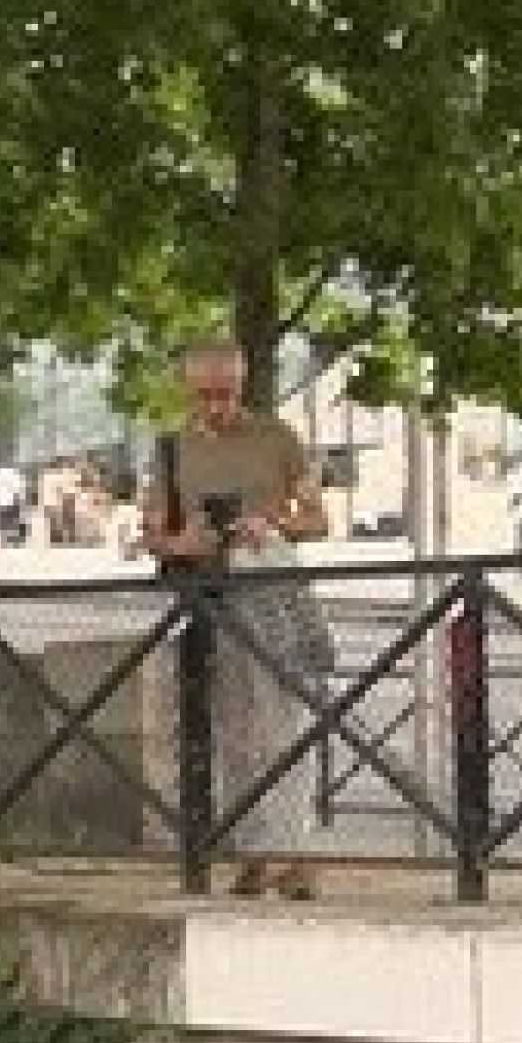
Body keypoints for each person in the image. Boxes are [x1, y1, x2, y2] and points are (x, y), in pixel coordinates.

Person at [142, 342, 333, 901]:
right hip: (210, 599)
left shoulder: (277, 440)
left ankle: (295, 852)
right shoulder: (173, 449)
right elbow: (153, 533)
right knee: (230, 730)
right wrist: (181, 541)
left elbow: (317, 521)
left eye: (225, 394)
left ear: (242, 384)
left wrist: (270, 525)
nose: (215, 406)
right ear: (187, 390)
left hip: (271, 593)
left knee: (282, 724)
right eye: (204, 396)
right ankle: (252, 852)